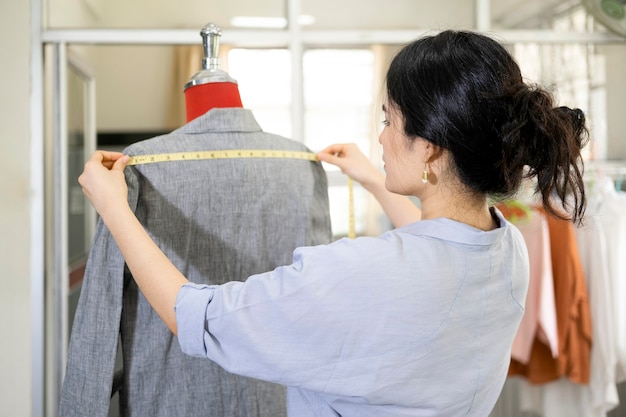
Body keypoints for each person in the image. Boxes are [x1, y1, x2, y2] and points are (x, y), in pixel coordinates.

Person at [78, 30, 588, 416]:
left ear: (430, 147)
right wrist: (372, 178)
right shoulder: (505, 249)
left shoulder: (359, 274)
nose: (382, 137)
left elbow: (197, 316)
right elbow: (441, 250)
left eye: (389, 120)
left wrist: (115, 208)